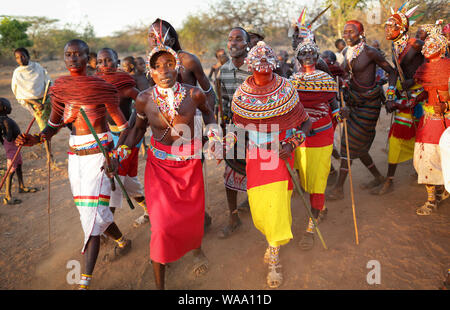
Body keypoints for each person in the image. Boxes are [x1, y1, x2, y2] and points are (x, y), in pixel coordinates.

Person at [15, 39, 132, 290]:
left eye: (78, 54)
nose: (73, 58)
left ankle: (84, 282)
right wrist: (34, 139)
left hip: (99, 155)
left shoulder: (102, 88)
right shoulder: (60, 88)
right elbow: (53, 126)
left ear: (87, 58)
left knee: (90, 216)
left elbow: (124, 128)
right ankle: (122, 241)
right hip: (74, 157)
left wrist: (116, 154)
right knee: (92, 211)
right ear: (64, 57)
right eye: (68, 54)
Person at [120, 37, 219, 290]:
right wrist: (120, 152)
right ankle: (160, 284)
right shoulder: (143, 99)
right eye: (157, 66)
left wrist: (214, 134)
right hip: (159, 167)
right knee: (161, 225)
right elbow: (138, 129)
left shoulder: (194, 94)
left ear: (176, 67)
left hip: (189, 164)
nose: (163, 70)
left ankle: (196, 251)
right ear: (150, 71)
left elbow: (209, 113)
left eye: (168, 64)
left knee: (192, 215)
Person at [231, 41, 311, 288]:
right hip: (255, 158)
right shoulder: (241, 93)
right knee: (259, 207)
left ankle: (274, 254)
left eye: (268, 57)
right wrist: (221, 141)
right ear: (249, 63)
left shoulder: (286, 89)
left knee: (275, 203)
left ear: (275, 61)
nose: (263, 61)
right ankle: (272, 239)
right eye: (258, 57)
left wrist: (292, 143)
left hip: (280, 155)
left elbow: (306, 123)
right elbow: (237, 128)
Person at [148, 19, 215, 229]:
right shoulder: (153, 64)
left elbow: (207, 92)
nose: (156, 39)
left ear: (173, 38)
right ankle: (179, 218)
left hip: (190, 121)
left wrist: (207, 121)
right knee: (169, 176)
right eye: (151, 36)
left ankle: (197, 216)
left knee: (190, 174)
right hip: (164, 124)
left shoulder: (188, 60)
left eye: (160, 35)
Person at [327, 20, 397, 201]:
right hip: (353, 103)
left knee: (348, 144)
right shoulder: (345, 52)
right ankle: (379, 178)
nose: (347, 35)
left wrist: (390, 96)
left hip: (370, 104)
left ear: (361, 33)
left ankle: (338, 188)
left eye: (351, 32)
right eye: (345, 32)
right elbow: (344, 75)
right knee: (359, 145)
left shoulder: (370, 52)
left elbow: (392, 72)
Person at [290, 35, 339, 250]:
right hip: (301, 137)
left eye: (311, 52)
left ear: (317, 56)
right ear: (298, 57)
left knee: (318, 179)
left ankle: (311, 226)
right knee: (305, 178)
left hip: (322, 135)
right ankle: (321, 207)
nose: (308, 56)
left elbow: (333, 101)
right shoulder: (291, 81)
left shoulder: (327, 80)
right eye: (303, 53)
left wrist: (339, 113)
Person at [371, 6, 425, 196]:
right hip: (406, 96)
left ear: (402, 28)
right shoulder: (395, 46)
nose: (386, 29)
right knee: (396, 138)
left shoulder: (415, 44)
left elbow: (433, 60)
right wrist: (391, 95)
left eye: (391, 26)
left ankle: (430, 174)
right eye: (386, 26)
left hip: (424, 97)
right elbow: (395, 73)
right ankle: (390, 180)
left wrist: (418, 78)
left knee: (425, 137)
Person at [96, 48, 148, 227]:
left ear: (117, 63)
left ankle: (107, 227)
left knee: (115, 181)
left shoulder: (124, 85)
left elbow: (142, 101)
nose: (104, 65)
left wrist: (133, 122)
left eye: (108, 60)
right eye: (100, 61)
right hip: (112, 137)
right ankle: (150, 210)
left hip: (129, 138)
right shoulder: (98, 85)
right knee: (127, 181)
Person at [216, 27, 252, 239]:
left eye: (238, 39)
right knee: (230, 172)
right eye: (230, 39)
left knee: (261, 173)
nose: (233, 43)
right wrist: (224, 129)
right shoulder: (224, 71)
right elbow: (224, 103)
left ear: (247, 44)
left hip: (259, 130)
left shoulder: (257, 68)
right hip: (233, 129)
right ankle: (234, 217)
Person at [413, 27, 450, 215]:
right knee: (425, 160)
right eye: (427, 44)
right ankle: (430, 200)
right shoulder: (423, 69)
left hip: (446, 123)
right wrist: (417, 97)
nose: (428, 47)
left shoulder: (449, 67)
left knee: (446, 159)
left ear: (442, 48)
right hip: (428, 122)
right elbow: (426, 90)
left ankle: (444, 189)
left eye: (433, 44)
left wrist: (446, 107)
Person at [11, 47, 52, 164]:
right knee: (44, 128)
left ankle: (49, 149)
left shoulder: (37, 67)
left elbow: (48, 82)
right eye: (17, 58)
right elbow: (19, 94)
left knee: (54, 124)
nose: (21, 59)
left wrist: (46, 98)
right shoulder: (17, 73)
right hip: (34, 105)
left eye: (23, 56)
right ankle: (49, 154)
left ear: (28, 56)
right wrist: (35, 103)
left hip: (46, 100)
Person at [0, 98, 38, 205]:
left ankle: (21, 186)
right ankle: (7, 196)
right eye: (9, 106)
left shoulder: (4, 120)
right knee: (11, 169)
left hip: (14, 145)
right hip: (12, 145)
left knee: (19, 164)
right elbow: (8, 137)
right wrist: (17, 136)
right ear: (4, 108)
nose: (11, 108)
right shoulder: (5, 121)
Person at [288, 8, 332, 75]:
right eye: (293, 37)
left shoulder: (318, 62)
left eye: (298, 38)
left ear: (308, 39)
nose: (294, 41)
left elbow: (331, 82)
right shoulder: (294, 60)